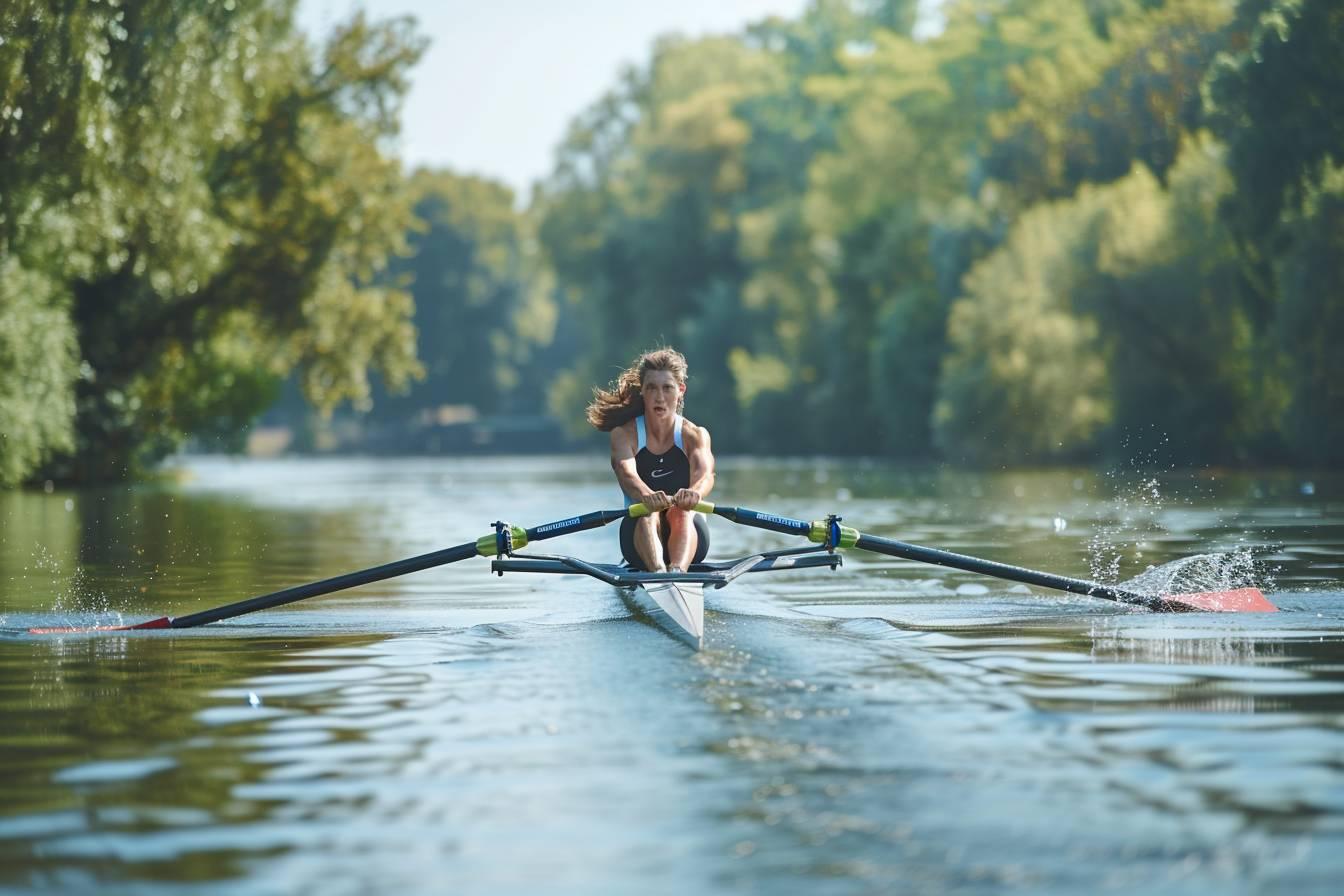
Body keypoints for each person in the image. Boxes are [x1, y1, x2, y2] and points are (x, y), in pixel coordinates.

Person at [586, 347, 715, 573]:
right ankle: (658, 574)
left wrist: (695, 492)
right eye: (652, 388)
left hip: (692, 534)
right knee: (647, 512)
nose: (659, 397)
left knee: (680, 512)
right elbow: (626, 473)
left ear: (681, 390)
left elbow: (705, 474)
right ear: (643, 392)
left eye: (667, 388)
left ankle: (677, 573)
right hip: (637, 538)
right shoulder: (624, 435)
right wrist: (647, 496)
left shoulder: (694, 434)